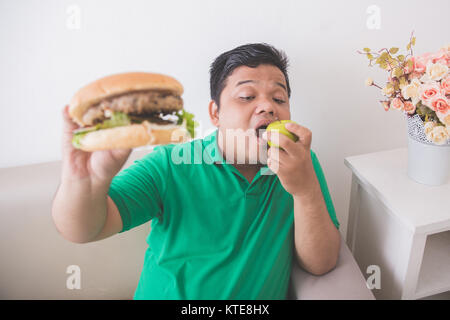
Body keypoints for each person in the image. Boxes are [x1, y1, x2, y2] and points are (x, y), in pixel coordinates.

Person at [52, 43, 341, 300]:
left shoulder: (301, 162)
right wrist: (85, 181)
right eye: (246, 96)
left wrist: (304, 191)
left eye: (279, 99)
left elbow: (321, 262)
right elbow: (83, 230)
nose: (267, 106)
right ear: (215, 113)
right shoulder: (170, 163)